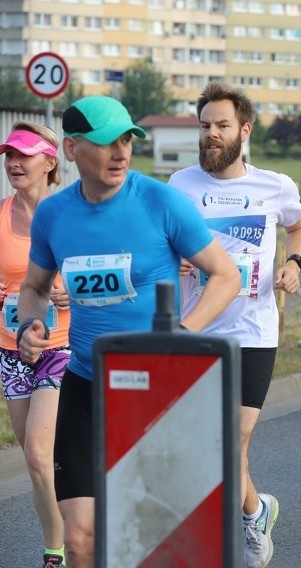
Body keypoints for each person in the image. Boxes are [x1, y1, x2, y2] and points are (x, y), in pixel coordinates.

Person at [15, 95, 241, 568]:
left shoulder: (160, 201)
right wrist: (33, 323)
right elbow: (34, 288)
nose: (120, 152)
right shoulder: (55, 214)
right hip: (85, 384)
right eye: (105, 143)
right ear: (73, 150)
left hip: (157, 392)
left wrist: (181, 333)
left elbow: (225, 275)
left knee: (151, 542)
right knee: (79, 541)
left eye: (126, 140)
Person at [168, 82, 301, 568]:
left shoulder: (274, 185)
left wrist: (293, 263)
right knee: (210, 445)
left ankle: (227, 533)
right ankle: (257, 511)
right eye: (205, 125)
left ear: (243, 130)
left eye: (221, 125)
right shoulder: (180, 185)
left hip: (252, 330)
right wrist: (177, 262)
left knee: (229, 442)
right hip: (195, 330)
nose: (211, 133)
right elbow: (163, 244)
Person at [0, 123, 71, 568]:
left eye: (23, 154)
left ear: (49, 162)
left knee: (42, 454)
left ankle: (56, 552)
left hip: (63, 346)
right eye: (8, 154)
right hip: (10, 350)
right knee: (35, 457)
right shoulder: (0, 216)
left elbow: (108, 274)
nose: (13, 163)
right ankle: (67, 529)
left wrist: (73, 294)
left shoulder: (71, 214)